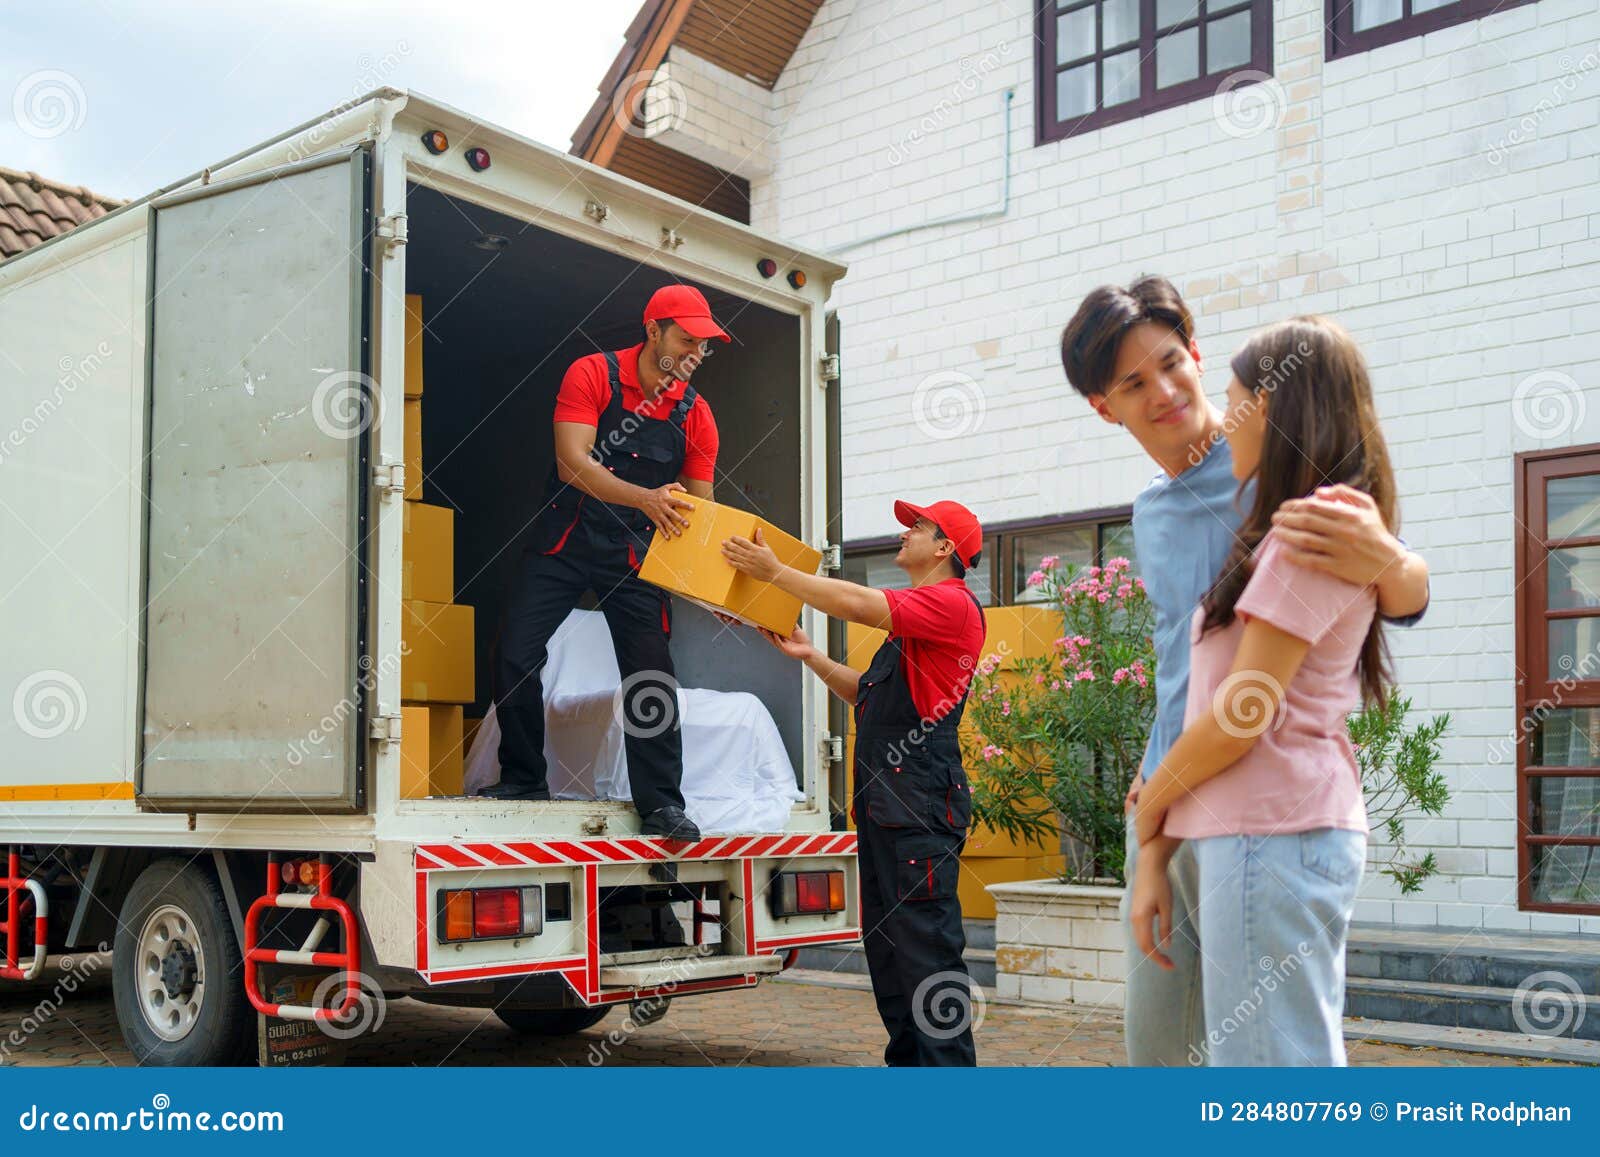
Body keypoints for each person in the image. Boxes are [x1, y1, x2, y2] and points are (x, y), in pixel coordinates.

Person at [1057, 277, 1430, 1065]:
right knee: (1160, 1051)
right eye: (1133, 383)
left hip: (1259, 806)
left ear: (1195, 354)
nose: (1165, 391)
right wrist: (1151, 790)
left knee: (1265, 1056)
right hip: (1169, 793)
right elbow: (1180, 658)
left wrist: (1395, 562)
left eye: (1172, 363)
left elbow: (1397, 591)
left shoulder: (1279, 460)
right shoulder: (1151, 512)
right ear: (1104, 407)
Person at [1130, 316, 1399, 1065]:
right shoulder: (1296, 526)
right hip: (1256, 828)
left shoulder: (1314, 532)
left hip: (1269, 830)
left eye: (1234, 400)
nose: (1224, 420)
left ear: (1275, 411)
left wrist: (1150, 805)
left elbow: (1241, 714)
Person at [721, 499, 986, 1066]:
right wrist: (811, 656)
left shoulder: (951, 603)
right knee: (890, 951)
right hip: (892, 801)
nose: (904, 532)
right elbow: (868, 694)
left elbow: (858, 604)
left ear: (945, 548)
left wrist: (776, 573)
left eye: (917, 527)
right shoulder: (917, 624)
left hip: (918, 802)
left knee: (927, 952)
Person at [481, 284, 725, 842]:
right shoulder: (591, 374)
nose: (695, 354)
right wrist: (645, 498)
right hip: (565, 542)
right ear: (653, 331)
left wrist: (719, 592)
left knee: (651, 674)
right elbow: (572, 464)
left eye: (703, 345)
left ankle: (662, 805)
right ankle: (523, 778)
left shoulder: (697, 414)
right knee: (515, 651)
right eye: (686, 340)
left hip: (634, 554)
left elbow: (703, 514)